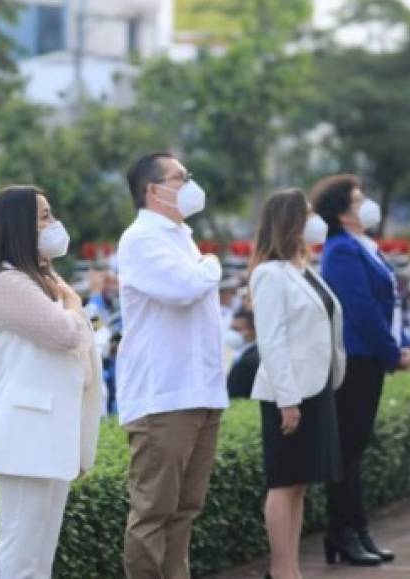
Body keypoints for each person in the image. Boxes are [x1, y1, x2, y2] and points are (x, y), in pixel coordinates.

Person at [0, 186, 102, 579]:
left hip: (47, 435)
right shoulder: (6, 283)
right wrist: (75, 305)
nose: (54, 223)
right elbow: (65, 334)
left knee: (39, 554)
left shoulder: (44, 281)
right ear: (18, 227)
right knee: (22, 554)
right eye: (44, 216)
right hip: (26, 436)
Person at [117, 152, 228, 579]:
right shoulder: (141, 238)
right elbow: (184, 287)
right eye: (181, 178)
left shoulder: (182, 236)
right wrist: (212, 265)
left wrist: (204, 266)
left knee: (185, 510)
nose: (190, 185)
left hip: (199, 390)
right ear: (153, 190)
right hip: (163, 395)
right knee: (153, 513)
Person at [310, 174, 410, 566]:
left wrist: (399, 343)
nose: (365, 204)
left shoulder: (360, 245)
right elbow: (361, 309)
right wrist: (392, 352)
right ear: (341, 212)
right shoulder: (339, 250)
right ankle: (342, 532)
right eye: (358, 200)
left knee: (355, 448)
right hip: (356, 358)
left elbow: (389, 304)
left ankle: (358, 529)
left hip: (370, 355)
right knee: (348, 450)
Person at [249, 188, 345, 579]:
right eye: (307, 215)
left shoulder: (303, 270)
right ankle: (282, 569)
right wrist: (288, 400)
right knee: (284, 481)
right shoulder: (269, 274)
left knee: (300, 483)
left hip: (317, 387)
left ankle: (290, 568)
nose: (316, 222)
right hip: (288, 393)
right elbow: (271, 341)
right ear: (290, 222)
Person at [226, 309, 260, 399]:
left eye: (237, 329)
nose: (232, 333)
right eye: (231, 328)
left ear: (253, 330)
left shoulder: (250, 361)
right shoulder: (239, 354)